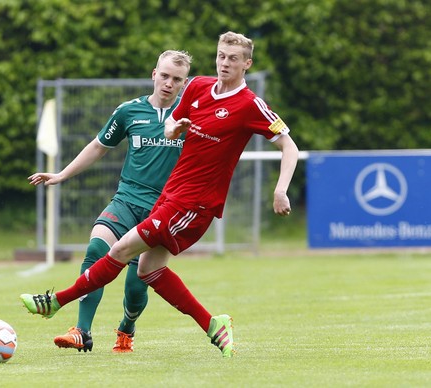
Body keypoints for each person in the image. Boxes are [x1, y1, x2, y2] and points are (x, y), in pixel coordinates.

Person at [21, 31, 299, 358]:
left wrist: (280, 190)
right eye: (221, 55)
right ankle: (213, 324)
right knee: (147, 271)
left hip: (195, 203)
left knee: (122, 249)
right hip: (171, 196)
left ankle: (56, 302)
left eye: (233, 58)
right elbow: (173, 126)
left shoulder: (250, 104)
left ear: (246, 64)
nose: (225, 62)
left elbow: (288, 145)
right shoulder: (196, 87)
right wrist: (174, 129)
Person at [27, 50, 192, 353]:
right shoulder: (129, 111)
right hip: (126, 200)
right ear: (154, 74)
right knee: (96, 249)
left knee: (136, 284)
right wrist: (62, 175)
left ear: (184, 84)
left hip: (163, 209)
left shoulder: (191, 116)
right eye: (165, 75)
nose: (169, 83)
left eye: (177, 79)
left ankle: (127, 327)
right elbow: (98, 146)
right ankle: (82, 330)